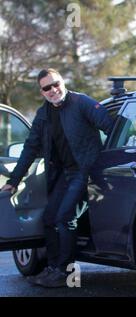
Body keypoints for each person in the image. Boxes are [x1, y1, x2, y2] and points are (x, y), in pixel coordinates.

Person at [1, 68, 114, 288]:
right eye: (47, 88)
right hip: (65, 173)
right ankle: (53, 269)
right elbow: (29, 149)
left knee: (64, 218)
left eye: (56, 84)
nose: (53, 90)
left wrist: (107, 162)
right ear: (42, 92)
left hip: (86, 171)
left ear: (63, 82)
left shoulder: (82, 103)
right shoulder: (43, 114)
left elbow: (111, 127)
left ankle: (67, 273)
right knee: (50, 217)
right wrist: (13, 181)